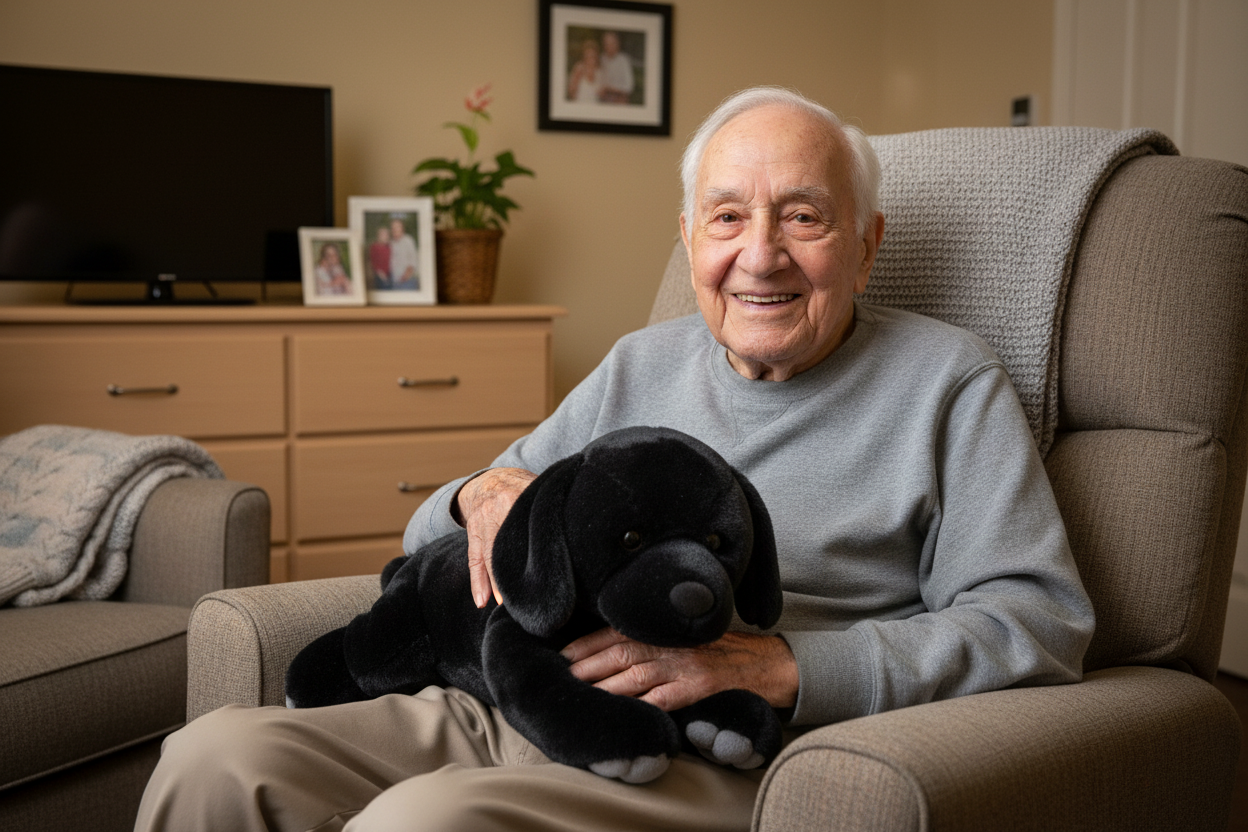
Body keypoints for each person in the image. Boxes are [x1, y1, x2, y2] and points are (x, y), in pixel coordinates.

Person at [134, 86, 1094, 832]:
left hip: (716, 750)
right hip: (522, 700)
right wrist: (480, 493)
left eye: (804, 217)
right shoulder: (642, 362)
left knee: (424, 822)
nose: (761, 255)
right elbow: (437, 532)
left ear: (868, 245)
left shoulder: (947, 381)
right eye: (727, 217)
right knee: (214, 758)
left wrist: (787, 667)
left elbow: (1040, 620)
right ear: (690, 239)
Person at [598, 31, 635, 104]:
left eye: (612, 43)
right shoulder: (601, 58)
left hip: (619, 100)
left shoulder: (624, 60)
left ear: (617, 44)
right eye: (606, 44)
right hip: (602, 100)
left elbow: (629, 86)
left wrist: (610, 89)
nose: (609, 46)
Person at [567, 37, 603, 103]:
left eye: (592, 56)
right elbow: (571, 91)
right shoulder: (579, 68)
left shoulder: (600, 71)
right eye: (588, 56)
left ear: (596, 55)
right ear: (584, 56)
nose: (590, 58)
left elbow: (602, 95)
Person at [388, 217, 419, 290]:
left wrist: (405, 277)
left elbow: (413, 261)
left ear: (402, 228)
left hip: (407, 282)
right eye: (393, 227)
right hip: (394, 282)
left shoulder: (408, 240)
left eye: (397, 227)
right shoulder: (390, 243)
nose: (395, 229)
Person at [368, 225, 392, 289]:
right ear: (378, 236)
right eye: (383, 235)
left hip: (389, 274)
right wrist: (381, 275)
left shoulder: (388, 246)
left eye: (387, 235)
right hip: (380, 275)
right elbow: (374, 263)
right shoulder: (374, 247)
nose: (386, 236)